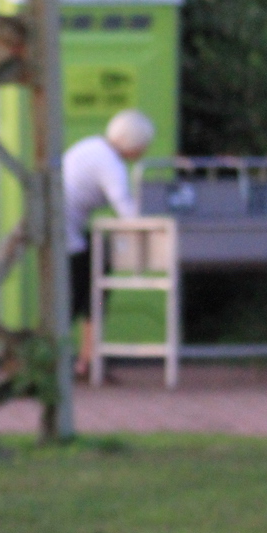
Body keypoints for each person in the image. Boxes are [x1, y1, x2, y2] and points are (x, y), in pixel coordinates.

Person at [63, 109, 155, 378]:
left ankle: (81, 360)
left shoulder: (91, 146)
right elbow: (127, 211)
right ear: (132, 143)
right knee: (84, 295)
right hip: (67, 235)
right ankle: (83, 361)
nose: (144, 151)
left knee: (80, 294)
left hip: (64, 231)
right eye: (143, 145)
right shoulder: (111, 164)